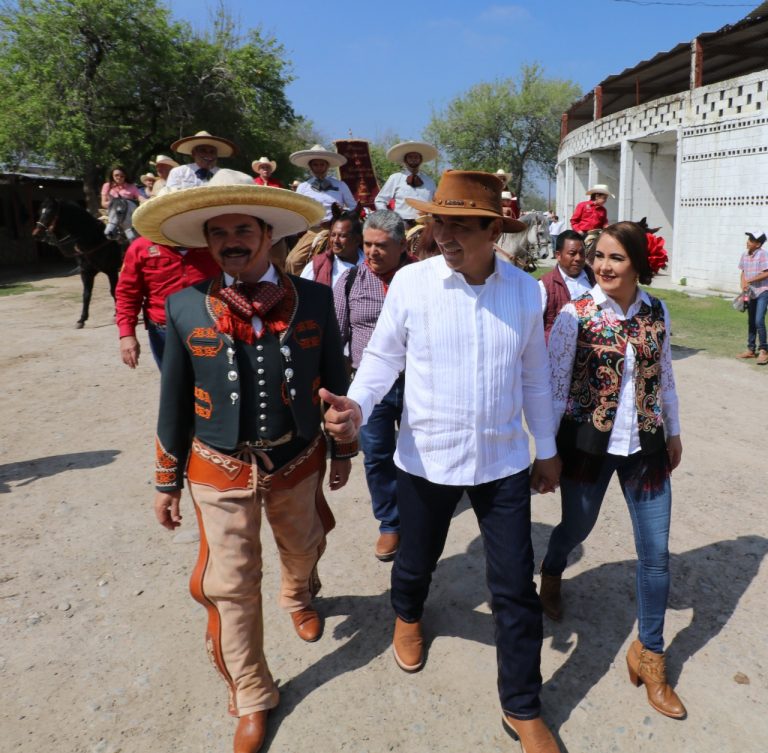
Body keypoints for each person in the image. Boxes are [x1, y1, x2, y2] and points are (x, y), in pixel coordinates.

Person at [321, 171, 563, 753]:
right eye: (437, 222)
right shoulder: (412, 283)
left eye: (457, 224)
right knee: (414, 563)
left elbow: (534, 377)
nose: (442, 234)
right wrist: (356, 404)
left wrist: (547, 450)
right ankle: (407, 615)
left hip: (502, 461)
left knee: (513, 588)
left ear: (492, 231)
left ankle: (521, 705)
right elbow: (382, 357)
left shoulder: (526, 292)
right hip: (426, 458)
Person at [131, 169, 356, 753]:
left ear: (267, 233)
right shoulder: (182, 307)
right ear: (207, 243)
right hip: (217, 466)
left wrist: (343, 447)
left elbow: (336, 377)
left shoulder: (314, 298)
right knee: (228, 585)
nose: (231, 239)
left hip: (297, 457)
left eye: (242, 228)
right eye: (219, 232)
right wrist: (166, 482)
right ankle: (253, 694)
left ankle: (298, 593)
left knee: (303, 545)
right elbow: (173, 400)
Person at [541, 221, 685, 720]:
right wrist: (546, 451)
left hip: (645, 446)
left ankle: (650, 653)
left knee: (657, 554)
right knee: (577, 526)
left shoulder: (657, 312)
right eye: (597, 255)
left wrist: (675, 430)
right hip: (586, 446)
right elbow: (555, 387)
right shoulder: (574, 314)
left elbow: (664, 375)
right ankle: (553, 571)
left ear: (638, 265)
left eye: (614, 258)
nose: (600, 265)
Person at [333, 210, 417, 561]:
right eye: (366, 244)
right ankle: (389, 523)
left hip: (418, 383)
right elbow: (337, 336)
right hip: (371, 386)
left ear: (401, 245)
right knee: (377, 454)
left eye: (381, 246)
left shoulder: (423, 280)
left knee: (420, 451)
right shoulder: (349, 282)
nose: (372, 252)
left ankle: (419, 515)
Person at [115, 236, 219, 368]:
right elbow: (127, 294)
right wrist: (127, 335)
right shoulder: (140, 247)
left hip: (211, 330)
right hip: (165, 333)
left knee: (214, 382)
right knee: (175, 385)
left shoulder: (212, 244)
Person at [285, 144, 358, 275]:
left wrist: (344, 213)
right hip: (313, 231)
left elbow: (353, 206)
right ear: (311, 167)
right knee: (293, 261)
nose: (319, 168)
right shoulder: (303, 187)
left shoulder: (340, 185)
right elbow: (297, 208)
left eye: (322, 164)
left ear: (327, 166)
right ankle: (300, 289)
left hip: (336, 230)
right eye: (316, 165)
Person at [539, 230, 595, 340]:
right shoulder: (544, 286)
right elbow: (533, 327)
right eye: (572, 254)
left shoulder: (595, 279)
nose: (578, 258)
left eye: (582, 253)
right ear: (558, 255)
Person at [374, 141, 437, 226]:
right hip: (401, 225)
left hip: (426, 225)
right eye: (410, 157)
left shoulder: (429, 181)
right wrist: (388, 218)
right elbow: (380, 200)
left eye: (416, 157)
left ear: (421, 159)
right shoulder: (395, 178)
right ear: (405, 160)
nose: (413, 159)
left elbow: (436, 203)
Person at [300, 210, 364, 288]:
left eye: (342, 236)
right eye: (333, 235)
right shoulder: (316, 267)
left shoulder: (372, 264)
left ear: (357, 239)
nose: (335, 241)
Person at [165, 130, 237, 190]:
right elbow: (170, 197)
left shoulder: (224, 175)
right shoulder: (179, 172)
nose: (208, 155)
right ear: (193, 153)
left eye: (212, 152)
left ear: (216, 155)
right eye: (203, 150)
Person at [736, 230, 768, 365]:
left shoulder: (763, 254)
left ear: (758, 244)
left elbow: (767, 273)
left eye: (751, 240)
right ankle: (750, 349)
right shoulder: (744, 254)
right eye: (748, 239)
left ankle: (764, 350)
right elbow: (743, 272)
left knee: (759, 320)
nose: (748, 241)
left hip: (762, 291)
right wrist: (743, 284)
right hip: (750, 293)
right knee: (751, 321)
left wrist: (750, 280)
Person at [570, 184, 612, 261]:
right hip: (583, 233)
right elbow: (574, 221)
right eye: (604, 198)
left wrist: (607, 226)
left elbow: (604, 223)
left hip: (596, 233)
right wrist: (579, 231)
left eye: (606, 198)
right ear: (597, 196)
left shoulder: (603, 210)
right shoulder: (582, 205)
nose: (606, 201)